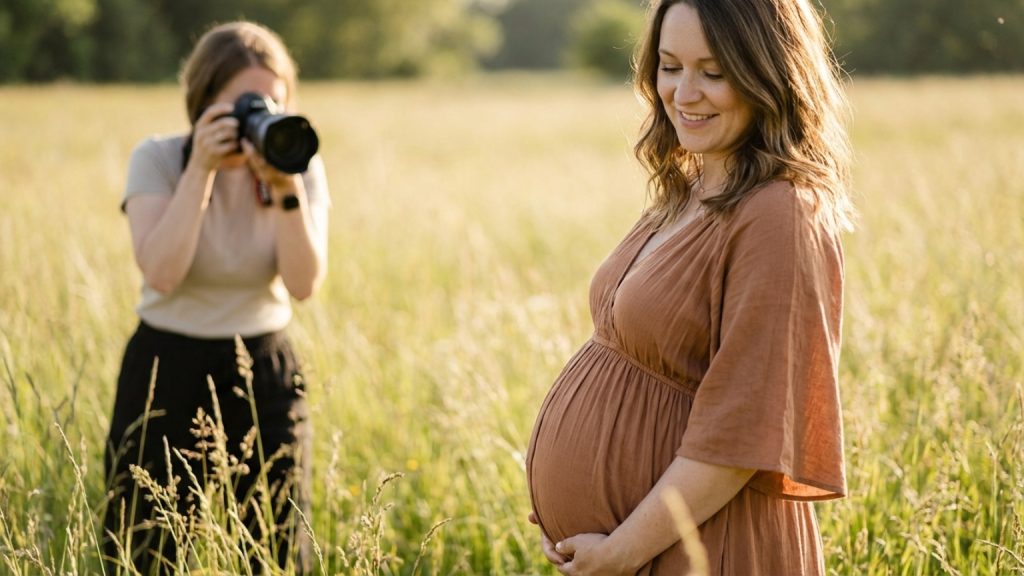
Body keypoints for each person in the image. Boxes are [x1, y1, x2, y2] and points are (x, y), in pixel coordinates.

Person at [526, 0, 854, 573]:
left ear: (769, 74)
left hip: (711, 546)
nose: (683, 92)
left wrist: (622, 550)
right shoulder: (693, 185)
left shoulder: (780, 213)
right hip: (645, 543)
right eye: (670, 65)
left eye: (715, 71)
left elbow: (743, 430)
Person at [101, 21, 329, 575]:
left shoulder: (295, 164)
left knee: (277, 555)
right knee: (144, 551)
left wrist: (284, 190)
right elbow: (161, 271)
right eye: (246, 104)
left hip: (264, 368)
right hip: (165, 367)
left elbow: (303, 284)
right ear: (204, 103)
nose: (262, 117)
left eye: (273, 102)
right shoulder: (159, 159)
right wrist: (201, 170)